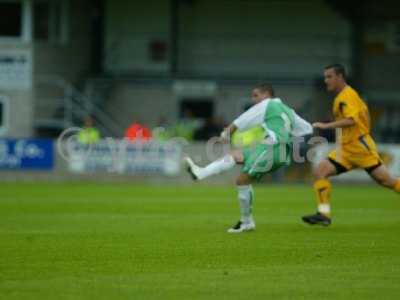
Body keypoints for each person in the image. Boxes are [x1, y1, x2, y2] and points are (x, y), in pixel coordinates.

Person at [185, 83, 313, 233]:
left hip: (273, 147)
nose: (253, 99)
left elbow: (243, 119)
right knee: (234, 156)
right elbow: (306, 128)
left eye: (256, 95)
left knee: (242, 180)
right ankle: (201, 173)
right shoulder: (287, 109)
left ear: (266, 94)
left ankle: (247, 222)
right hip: (275, 148)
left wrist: (226, 133)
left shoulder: (267, 104)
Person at [302, 64, 400, 226]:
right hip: (346, 149)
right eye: (325, 77)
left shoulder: (347, 96)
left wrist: (326, 126)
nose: (326, 80)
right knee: (321, 171)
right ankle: (324, 214)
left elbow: (351, 120)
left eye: (329, 77)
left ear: (340, 77)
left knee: (387, 181)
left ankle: (323, 213)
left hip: (359, 147)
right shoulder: (343, 96)